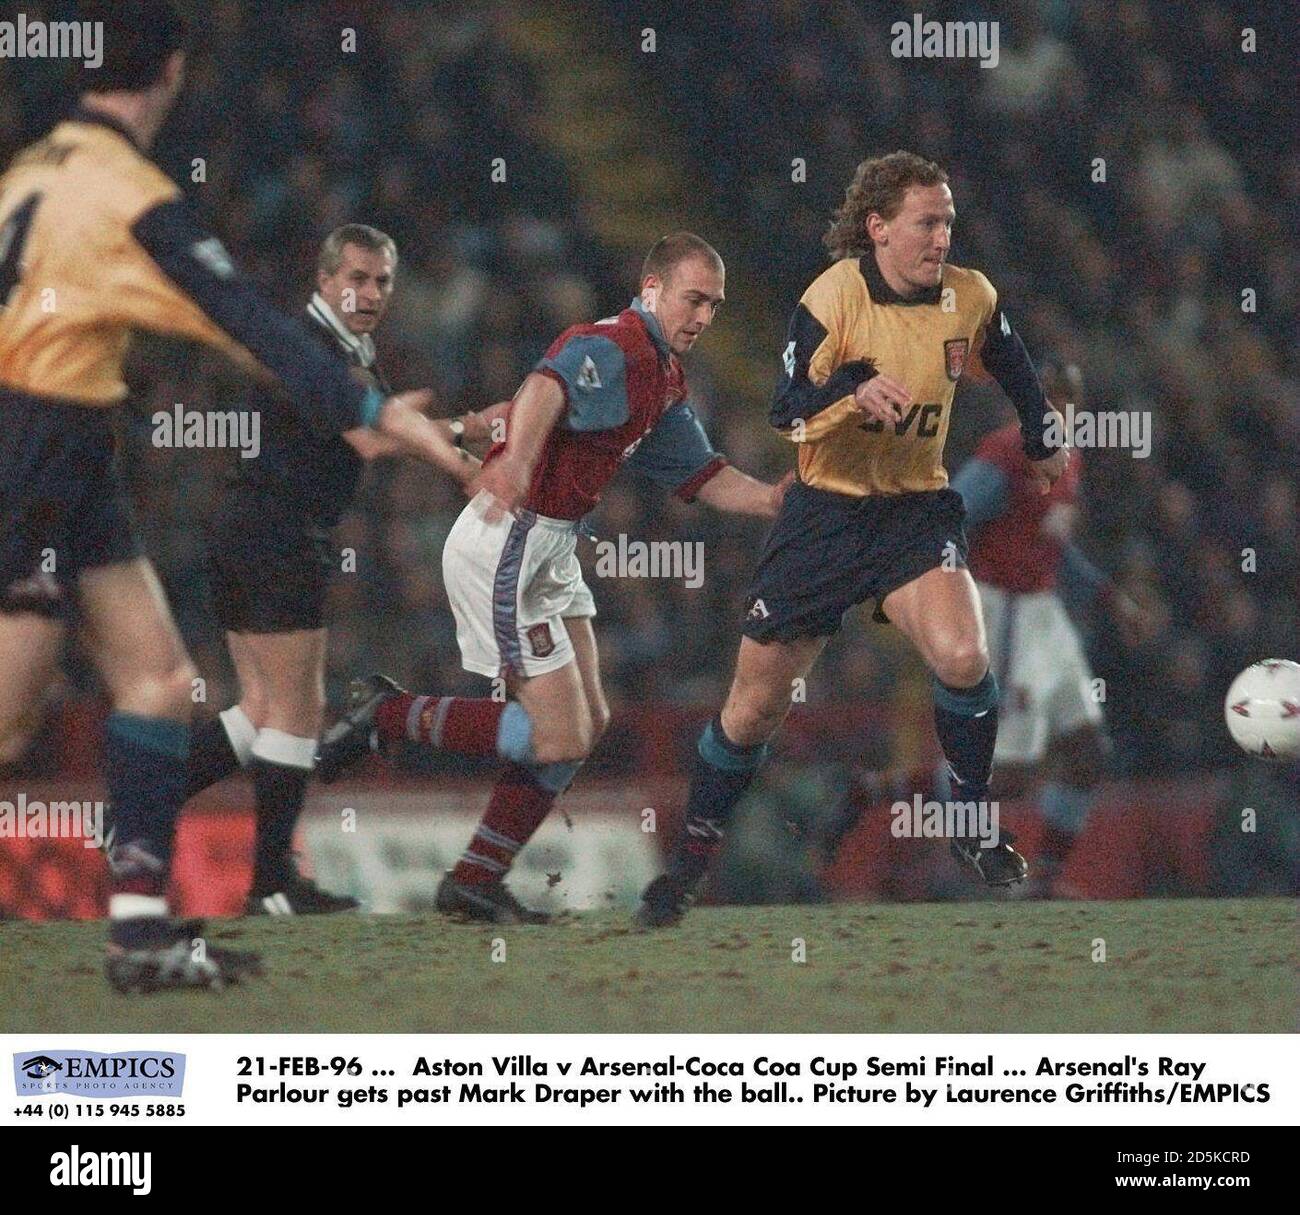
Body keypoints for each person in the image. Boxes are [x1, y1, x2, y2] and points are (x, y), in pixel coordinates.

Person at [0, 1, 465, 990]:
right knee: (8, 719)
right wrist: (380, 412)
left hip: (77, 441)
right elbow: (252, 322)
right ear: (169, 71)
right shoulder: (129, 195)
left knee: (163, 686)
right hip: (29, 442)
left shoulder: (34, 166)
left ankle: (138, 937)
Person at [634, 151, 1070, 928]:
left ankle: (968, 822)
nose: (942, 236)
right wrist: (852, 390)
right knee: (753, 710)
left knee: (964, 657)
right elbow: (786, 411)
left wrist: (1041, 431)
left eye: (948, 222)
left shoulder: (969, 296)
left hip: (914, 513)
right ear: (879, 228)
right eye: (926, 222)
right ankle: (687, 870)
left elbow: (1011, 357)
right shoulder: (833, 297)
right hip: (824, 517)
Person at [317, 232, 792, 923]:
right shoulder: (620, 343)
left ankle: (475, 877)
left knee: (586, 722)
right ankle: (385, 714)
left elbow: (703, 472)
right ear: (652, 289)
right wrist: (513, 464)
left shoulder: (661, 374)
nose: (704, 316)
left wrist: (772, 498)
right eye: (694, 299)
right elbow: (547, 383)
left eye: (715, 305)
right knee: (556, 735)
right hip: (510, 538)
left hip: (552, 545)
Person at [195, 224, 501, 915]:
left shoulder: (342, 347)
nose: (368, 294)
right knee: (298, 712)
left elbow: (372, 431)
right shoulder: (318, 348)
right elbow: (368, 433)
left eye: (382, 282)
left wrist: (453, 437)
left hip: (248, 526)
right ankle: (271, 883)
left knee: (259, 710)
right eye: (356, 279)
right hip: (278, 534)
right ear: (326, 280)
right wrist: (462, 441)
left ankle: (138, 814)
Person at [951, 357, 1153, 896]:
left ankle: (1043, 880)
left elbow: (1054, 549)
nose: (1060, 407)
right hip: (1003, 609)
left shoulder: (1069, 458)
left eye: (1070, 397)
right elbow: (949, 516)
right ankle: (896, 802)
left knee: (1088, 751)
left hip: (1044, 612)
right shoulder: (1005, 452)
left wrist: (1113, 600)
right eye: (1050, 395)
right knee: (1010, 772)